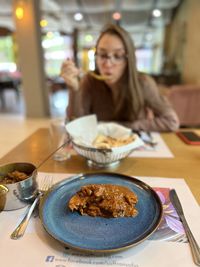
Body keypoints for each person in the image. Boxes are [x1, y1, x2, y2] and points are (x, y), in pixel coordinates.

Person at [60, 24, 179, 132]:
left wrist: (131, 126)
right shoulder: (89, 81)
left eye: (117, 56)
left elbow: (171, 122)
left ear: (128, 60)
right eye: (102, 55)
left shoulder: (143, 83)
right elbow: (76, 125)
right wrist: (74, 89)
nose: (107, 63)